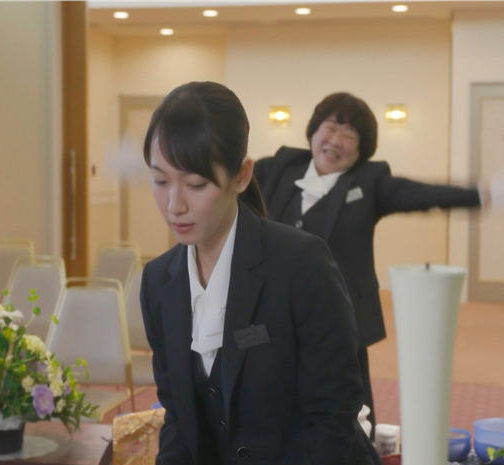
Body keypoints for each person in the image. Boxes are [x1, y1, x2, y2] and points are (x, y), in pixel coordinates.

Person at [139, 82, 381, 465]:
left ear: (241, 175)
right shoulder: (159, 281)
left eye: (196, 184)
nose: (174, 205)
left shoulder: (302, 265)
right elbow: (180, 421)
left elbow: (331, 417)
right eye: (160, 180)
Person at [255, 92, 482, 429]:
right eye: (331, 127)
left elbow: (424, 194)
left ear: (362, 149)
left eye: (350, 134)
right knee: (273, 405)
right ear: (314, 129)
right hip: (276, 316)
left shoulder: (369, 182)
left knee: (350, 413)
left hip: (339, 321)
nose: (336, 140)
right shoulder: (278, 168)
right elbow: (225, 180)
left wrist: (481, 195)